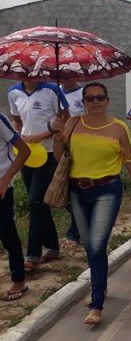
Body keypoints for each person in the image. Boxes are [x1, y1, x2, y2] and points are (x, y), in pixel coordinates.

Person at [52, 83, 131, 326]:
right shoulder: (72, 124)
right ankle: (101, 284)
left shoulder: (119, 128)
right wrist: (57, 136)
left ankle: (96, 305)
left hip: (107, 190)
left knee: (96, 245)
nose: (95, 102)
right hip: (77, 191)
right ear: (83, 102)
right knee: (90, 245)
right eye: (90, 98)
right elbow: (59, 157)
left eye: (99, 98)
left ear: (107, 100)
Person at [7, 80, 69, 272]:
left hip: (49, 153)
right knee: (39, 203)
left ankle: (32, 255)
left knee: (35, 201)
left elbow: (65, 120)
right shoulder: (13, 92)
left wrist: (43, 134)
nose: (29, 73)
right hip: (27, 154)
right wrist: (18, 137)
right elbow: (17, 120)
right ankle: (53, 247)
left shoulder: (53, 90)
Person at [0, 114, 30, 301]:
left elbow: (24, 151)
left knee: (7, 234)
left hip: (1, 189)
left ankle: (19, 280)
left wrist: (5, 180)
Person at [60, 78, 85, 249]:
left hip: (79, 147)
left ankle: (75, 232)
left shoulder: (84, 94)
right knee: (60, 191)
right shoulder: (55, 92)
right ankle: (82, 219)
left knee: (75, 189)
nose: (65, 77)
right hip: (58, 147)